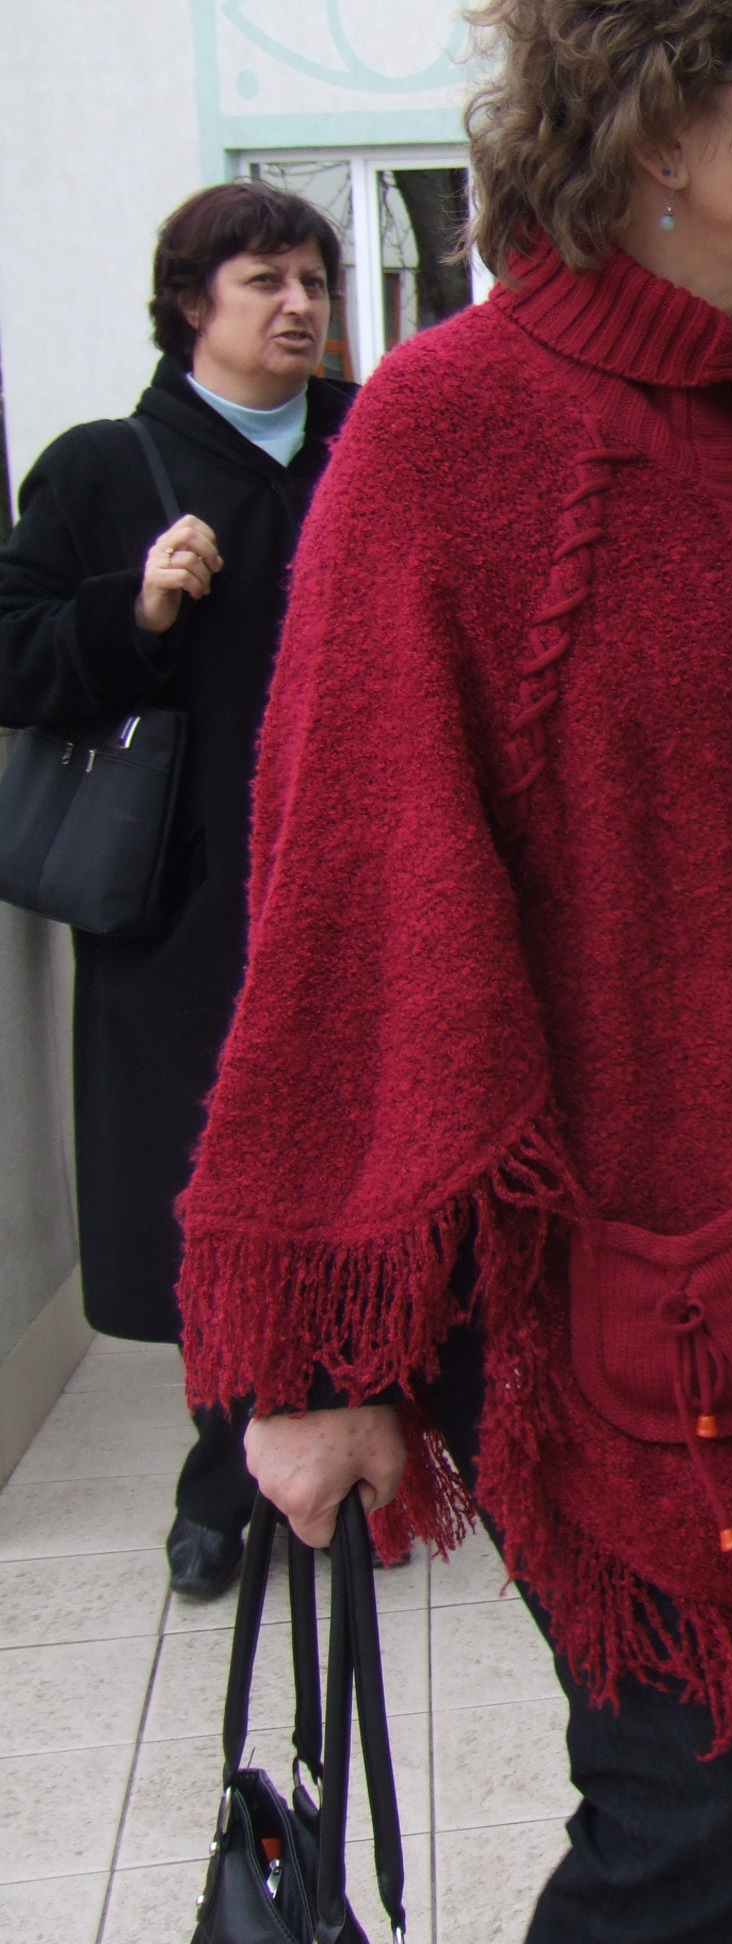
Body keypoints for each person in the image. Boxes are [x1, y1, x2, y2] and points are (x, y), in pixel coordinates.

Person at [172, 6, 732, 1940]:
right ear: (656, 127)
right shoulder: (454, 434)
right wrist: (325, 1365)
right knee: (708, 1823)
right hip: (614, 1302)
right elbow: (352, 898)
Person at [0, 180, 353, 1600]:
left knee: (360, 1176)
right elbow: (13, 649)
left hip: (364, 889)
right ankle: (228, 1473)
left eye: (314, 278)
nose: (300, 304)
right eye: (267, 279)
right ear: (191, 304)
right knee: (215, 1195)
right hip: (192, 913)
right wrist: (131, 610)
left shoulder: (372, 444)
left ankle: (356, 1446)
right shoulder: (108, 468)